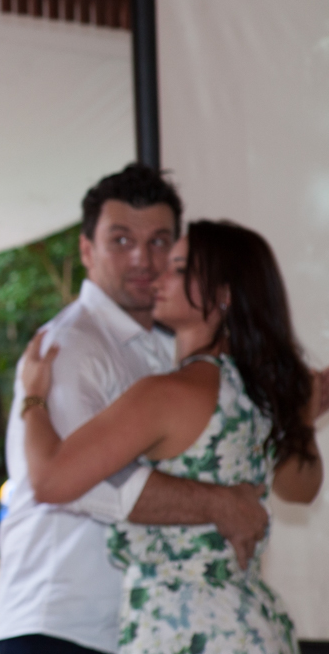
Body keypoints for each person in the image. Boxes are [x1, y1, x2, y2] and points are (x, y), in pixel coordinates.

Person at [0, 166, 275, 654]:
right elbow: (71, 482)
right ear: (86, 250)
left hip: (134, 621)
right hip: (61, 616)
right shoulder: (72, 344)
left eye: (161, 241)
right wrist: (219, 503)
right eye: (121, 240)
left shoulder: (170, 350)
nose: (144, 258)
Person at [20, 220, 323, 652]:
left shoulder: (169, 394)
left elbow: (50, 480)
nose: (159, 276)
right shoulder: (258, 392)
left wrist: (32, 399)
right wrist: (305, 420)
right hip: (252, 625)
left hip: (185, 630)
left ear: (223, 294)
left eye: (179, 269)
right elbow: (302, 489)